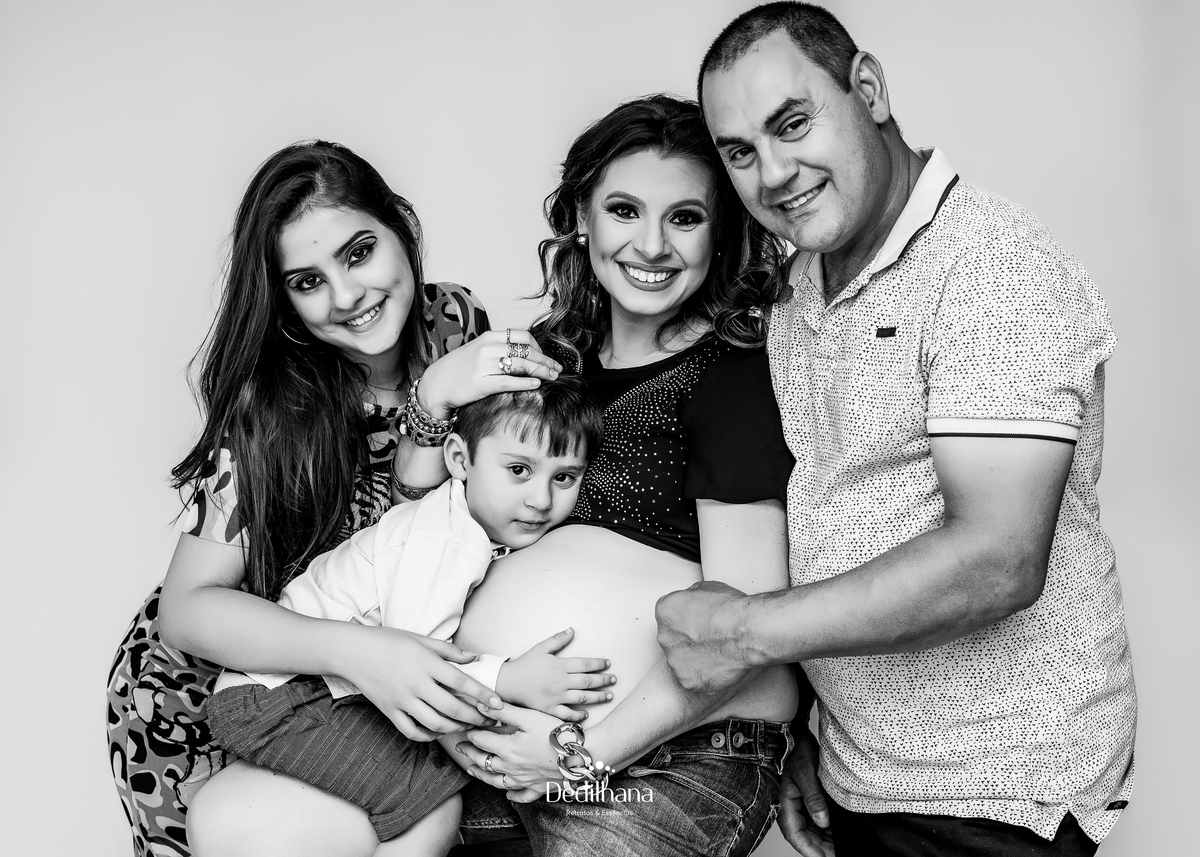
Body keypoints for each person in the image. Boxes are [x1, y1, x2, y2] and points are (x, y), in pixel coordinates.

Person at [654, 4, 1138, 856]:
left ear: (869, 89)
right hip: (865, 772)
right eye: (740, 152)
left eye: (792, 124)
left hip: (993, 784)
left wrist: (743, 633)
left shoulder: (992, 266)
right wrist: (805, 724)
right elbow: (837, 512)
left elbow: (997, 559)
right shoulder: (799, 284)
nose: (774, 173)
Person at [106, 140, 563, 857]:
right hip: (222, 689)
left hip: (363, 683)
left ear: (401, 230)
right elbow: (188, 610)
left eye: (359, 253)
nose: (346, 296)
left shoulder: (454, 325)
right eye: (308, 280)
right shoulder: (271, 404)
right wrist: (366, 654)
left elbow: (428, 529)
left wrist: (432, 400)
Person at [442, 94, 800, 857]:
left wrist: (578, 754)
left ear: (721, 230)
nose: (652, 244)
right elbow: (429, 533)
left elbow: (745, 624)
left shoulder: (731, 378)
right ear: (582, 216)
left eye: (685, 217)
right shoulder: (544, 360)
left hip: (666, 755)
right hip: (505, 748)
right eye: (625, 209)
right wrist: (432, 397)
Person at [205, 374, 610, 855]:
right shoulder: (447, 538)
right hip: (284, 696)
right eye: (519, 470)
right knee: (430, 803)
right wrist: (510, 678)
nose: (541, 499)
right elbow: (417, 664)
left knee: (433, 786)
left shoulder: (466, 524)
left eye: (564, 477)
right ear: (459, 459)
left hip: (314, 693)